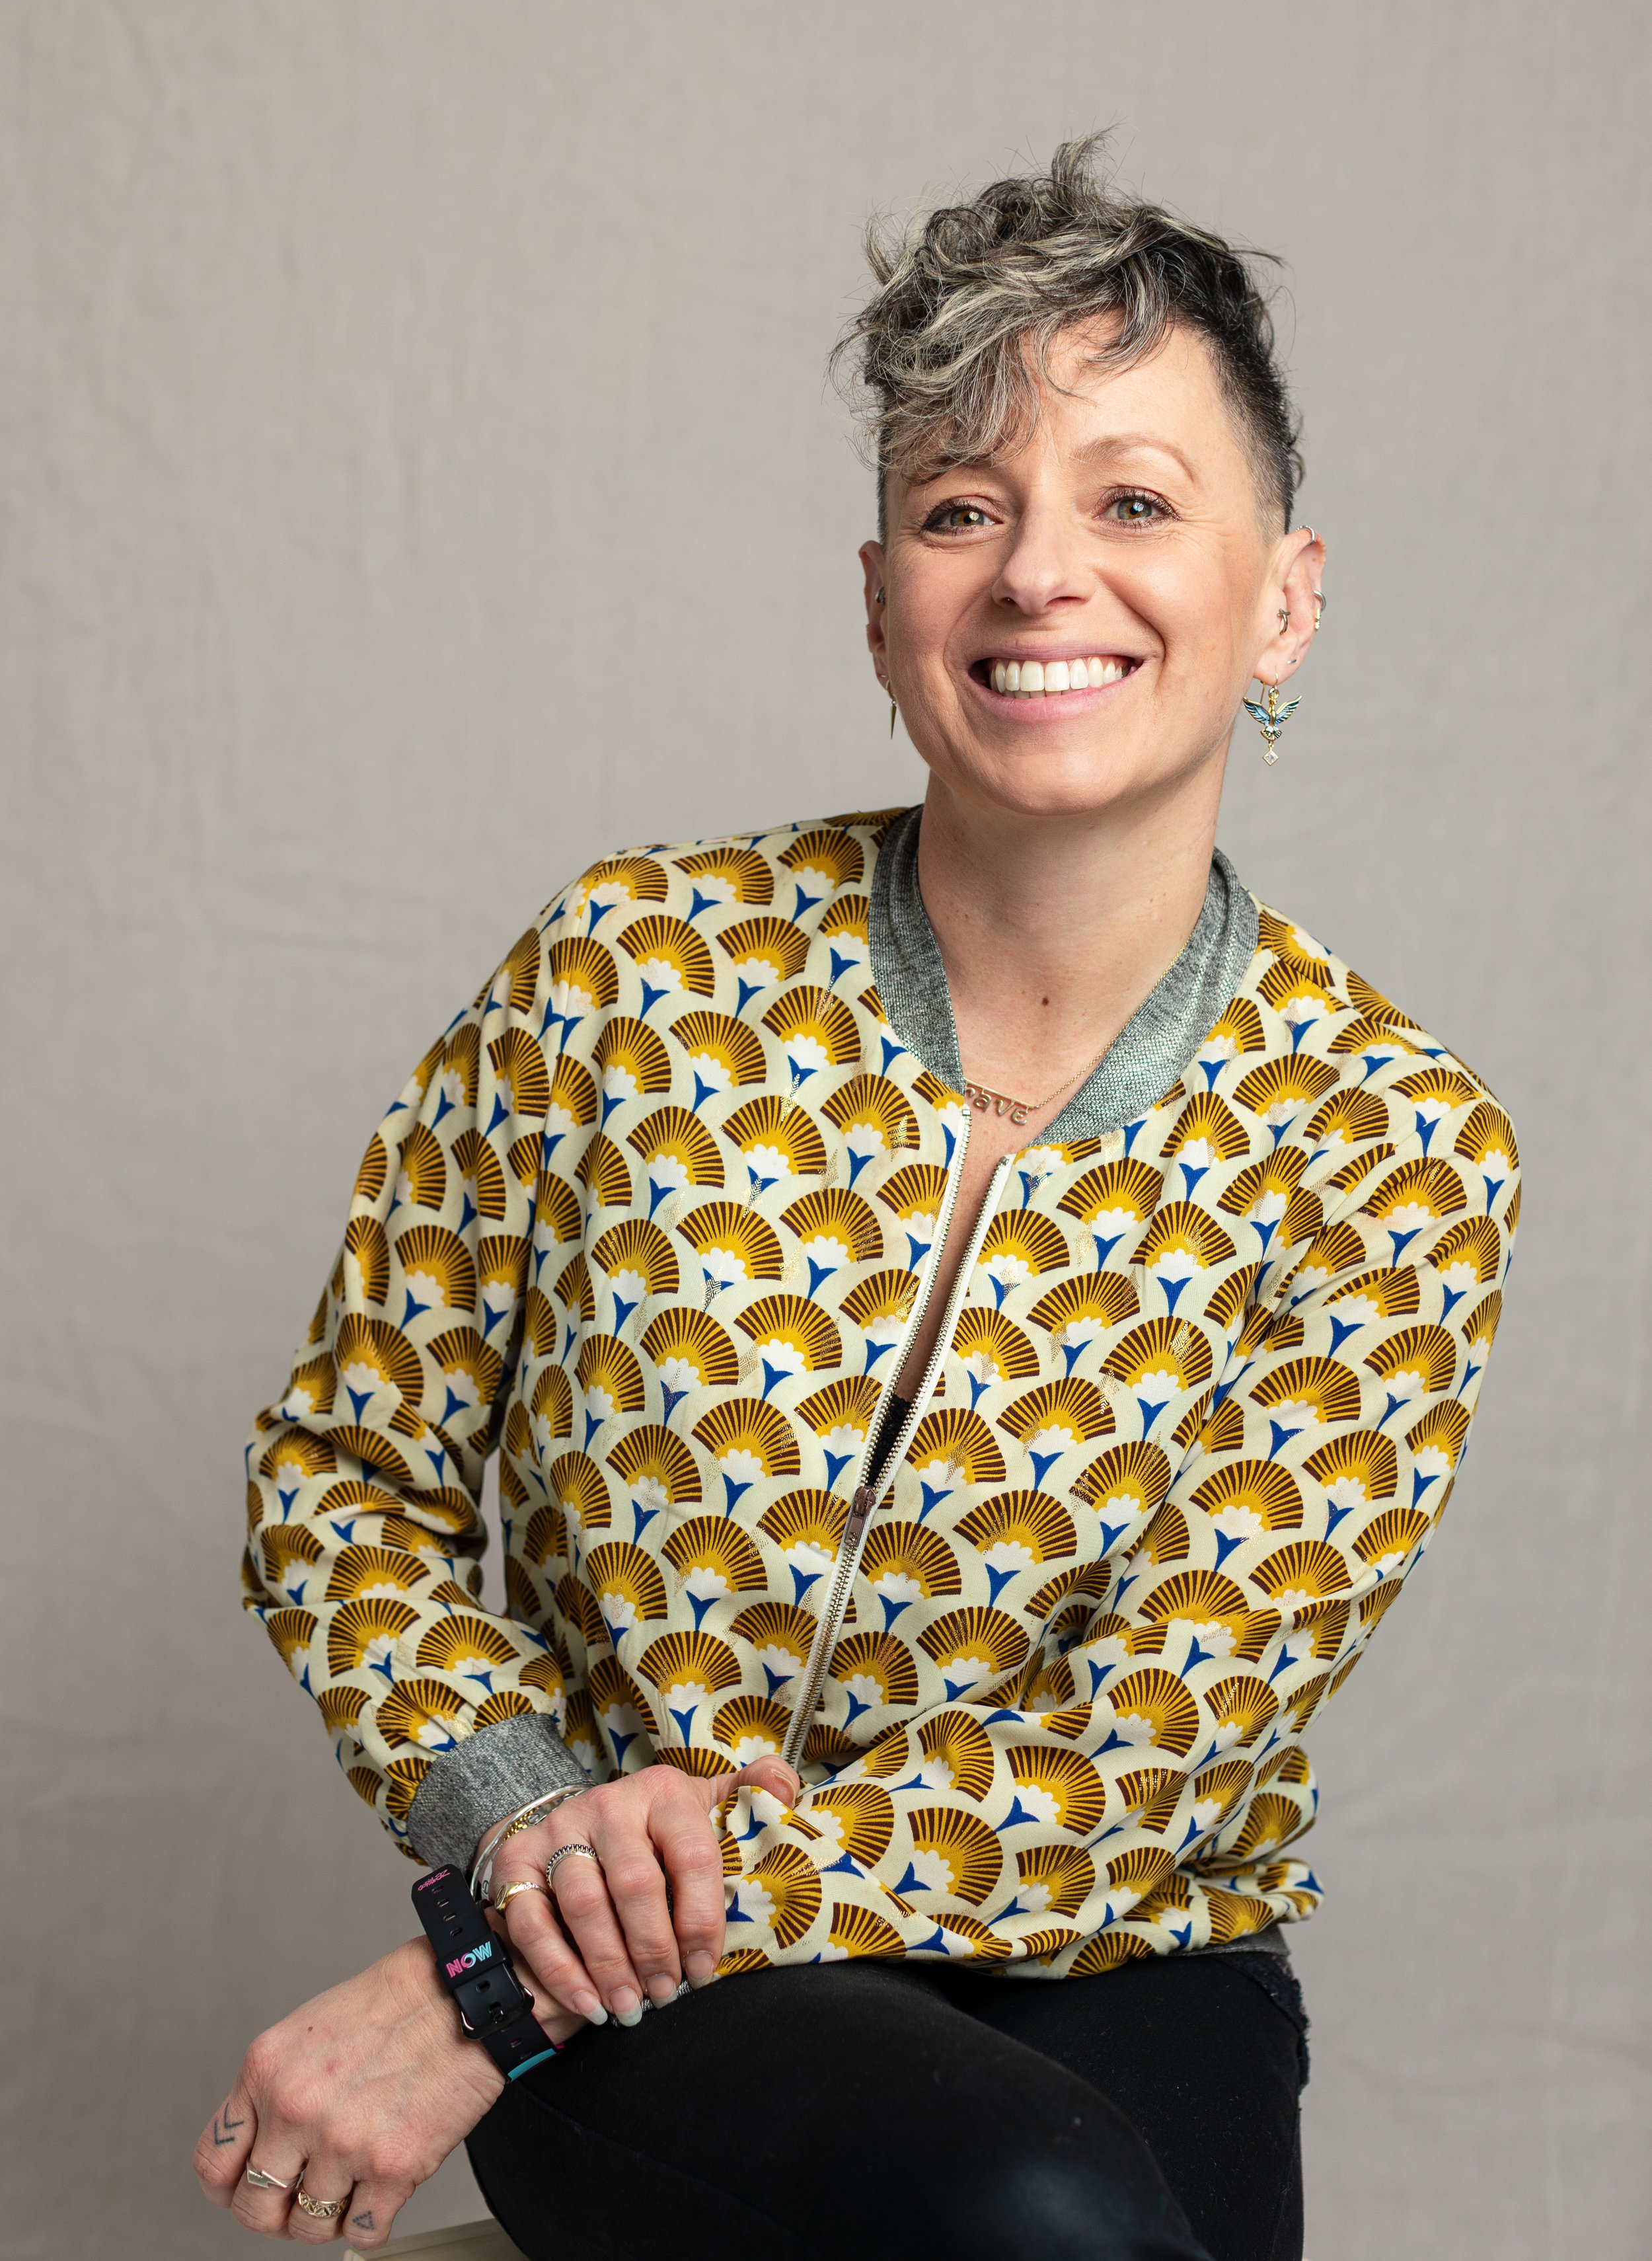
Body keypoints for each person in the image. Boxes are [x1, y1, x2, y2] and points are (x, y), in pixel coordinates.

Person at [194, 141, 1517, 2261]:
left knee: (1082, 2215)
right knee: (1032, 2216)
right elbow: (344, 1479)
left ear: (1283, 597)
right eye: (960, 508)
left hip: (1119, 1958)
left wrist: (491, 1982)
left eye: (1134, 502)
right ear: (882, 597)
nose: (1039, 573)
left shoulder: (1390, 1141)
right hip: (654, 1992)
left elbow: (1148, 1758)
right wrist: (532, 1846)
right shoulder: (627, 974)